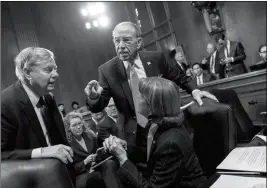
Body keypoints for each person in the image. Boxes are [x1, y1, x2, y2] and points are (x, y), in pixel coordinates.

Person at [84, 21, 218, 166]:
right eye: (117, 40)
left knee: (176, 165)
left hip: (164, 125)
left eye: (127, 40)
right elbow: (98, 106)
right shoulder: (107, 70)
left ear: (139, 42)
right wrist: (93, 97)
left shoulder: (155, 58)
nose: (121, 46)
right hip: (133, 135)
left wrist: (195, 90)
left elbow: (180, 77)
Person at [104, 77, 206, 188]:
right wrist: (124, 147)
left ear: (152, 105)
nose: (135, 98)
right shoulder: (159, 122)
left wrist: (123, 158)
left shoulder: (170, 143)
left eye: (140, 96)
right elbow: (150, 154)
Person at [1, 47, 73, 164]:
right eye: (48, 70)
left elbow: (61, 141)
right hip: (28, 179)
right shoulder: (5, 103)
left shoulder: (48, 97)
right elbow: (2, 154)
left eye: (55, 69)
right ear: (27, 73)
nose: (56, 74)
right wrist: (41, 152)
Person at [63, 112, 121, 188]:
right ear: (68, 128)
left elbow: (99, 155)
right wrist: (85, 162)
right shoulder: (67, 144)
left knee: (110, 163)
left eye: (80, 123)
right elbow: (69, 169)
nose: (78, 127)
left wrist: (100, 154)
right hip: (82, 174)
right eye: (74, 125)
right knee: (100, 176)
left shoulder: (90, 136)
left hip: (96, 166)